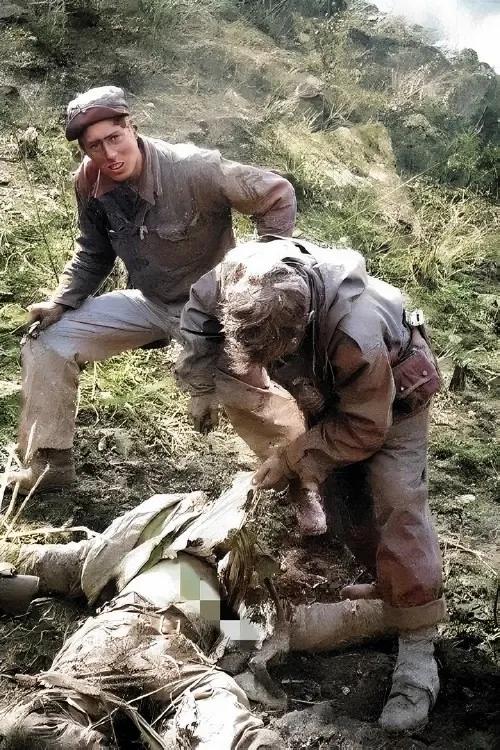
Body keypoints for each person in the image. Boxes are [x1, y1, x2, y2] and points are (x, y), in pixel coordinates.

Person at [175, 235, 446, 733]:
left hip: (392, 402)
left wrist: (294, 455)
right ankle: (390, 596)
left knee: (396, 504)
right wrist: (200, 383)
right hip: (185, 564)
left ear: (300, 329)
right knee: (349, 517)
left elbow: (367, 427)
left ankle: (418, 643)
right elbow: (196, 317)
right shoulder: (235, 274)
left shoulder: (357, 332)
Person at [9, 85, 296, 494]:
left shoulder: (195, 169)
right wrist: (61, 301)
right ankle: (49, 465)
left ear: (133, 128)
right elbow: (93, 251)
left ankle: (306, 471)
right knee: (48, 342)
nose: (109, 155)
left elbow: (277, 193)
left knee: (243, 392)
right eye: (94, 147)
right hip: (149, 302)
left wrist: (263, 273)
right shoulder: (89, 182)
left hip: (214, 311)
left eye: (114, 138)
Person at [0, 473, 391, 748]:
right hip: (124, 627)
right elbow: (63, 562)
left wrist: (409, 605)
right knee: (29, 728)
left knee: (241, 737)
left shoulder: (262, 590)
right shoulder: (161, 529)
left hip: (178, 659)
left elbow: (313, 624)